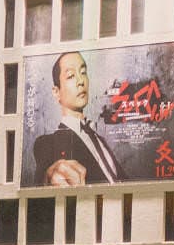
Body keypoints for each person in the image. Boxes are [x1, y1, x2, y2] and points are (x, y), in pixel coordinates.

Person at [30, 51, 122, 186]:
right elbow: (45, 176)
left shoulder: (99, 139)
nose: (80, 81)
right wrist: (47, 178)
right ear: (56, 92)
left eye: (83, 72)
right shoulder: (49, 143)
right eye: (71, 76)